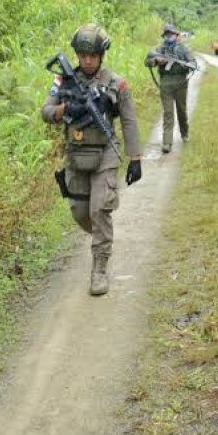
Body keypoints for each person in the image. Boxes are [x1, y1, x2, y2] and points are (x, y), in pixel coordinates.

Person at [41, 23, 142, 296]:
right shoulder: (63, 80)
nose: (87, 61)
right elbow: (46, 111)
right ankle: (102, 236)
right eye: (83, 55)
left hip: (106, 151)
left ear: (101, 55)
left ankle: (99, 267)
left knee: (99, 209)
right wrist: (65, 109)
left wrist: (135, 157)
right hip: (76, 153)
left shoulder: (116, 83)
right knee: (80, 212)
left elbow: (129, 121)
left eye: (93, 56)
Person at [146, 24, 197, 153]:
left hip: (181, 82)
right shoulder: (159, 49)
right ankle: (167, 142)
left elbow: (193, 63)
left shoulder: (184, 49)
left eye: (172, 34)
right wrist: (156, 61)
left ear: (176, 35)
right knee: (168, 113)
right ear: (164, 36)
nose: (169, 37)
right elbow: (147, 61)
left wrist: (186, 65)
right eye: (167, 34)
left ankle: (184, 134)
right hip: (166, 83)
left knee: (181, 111)